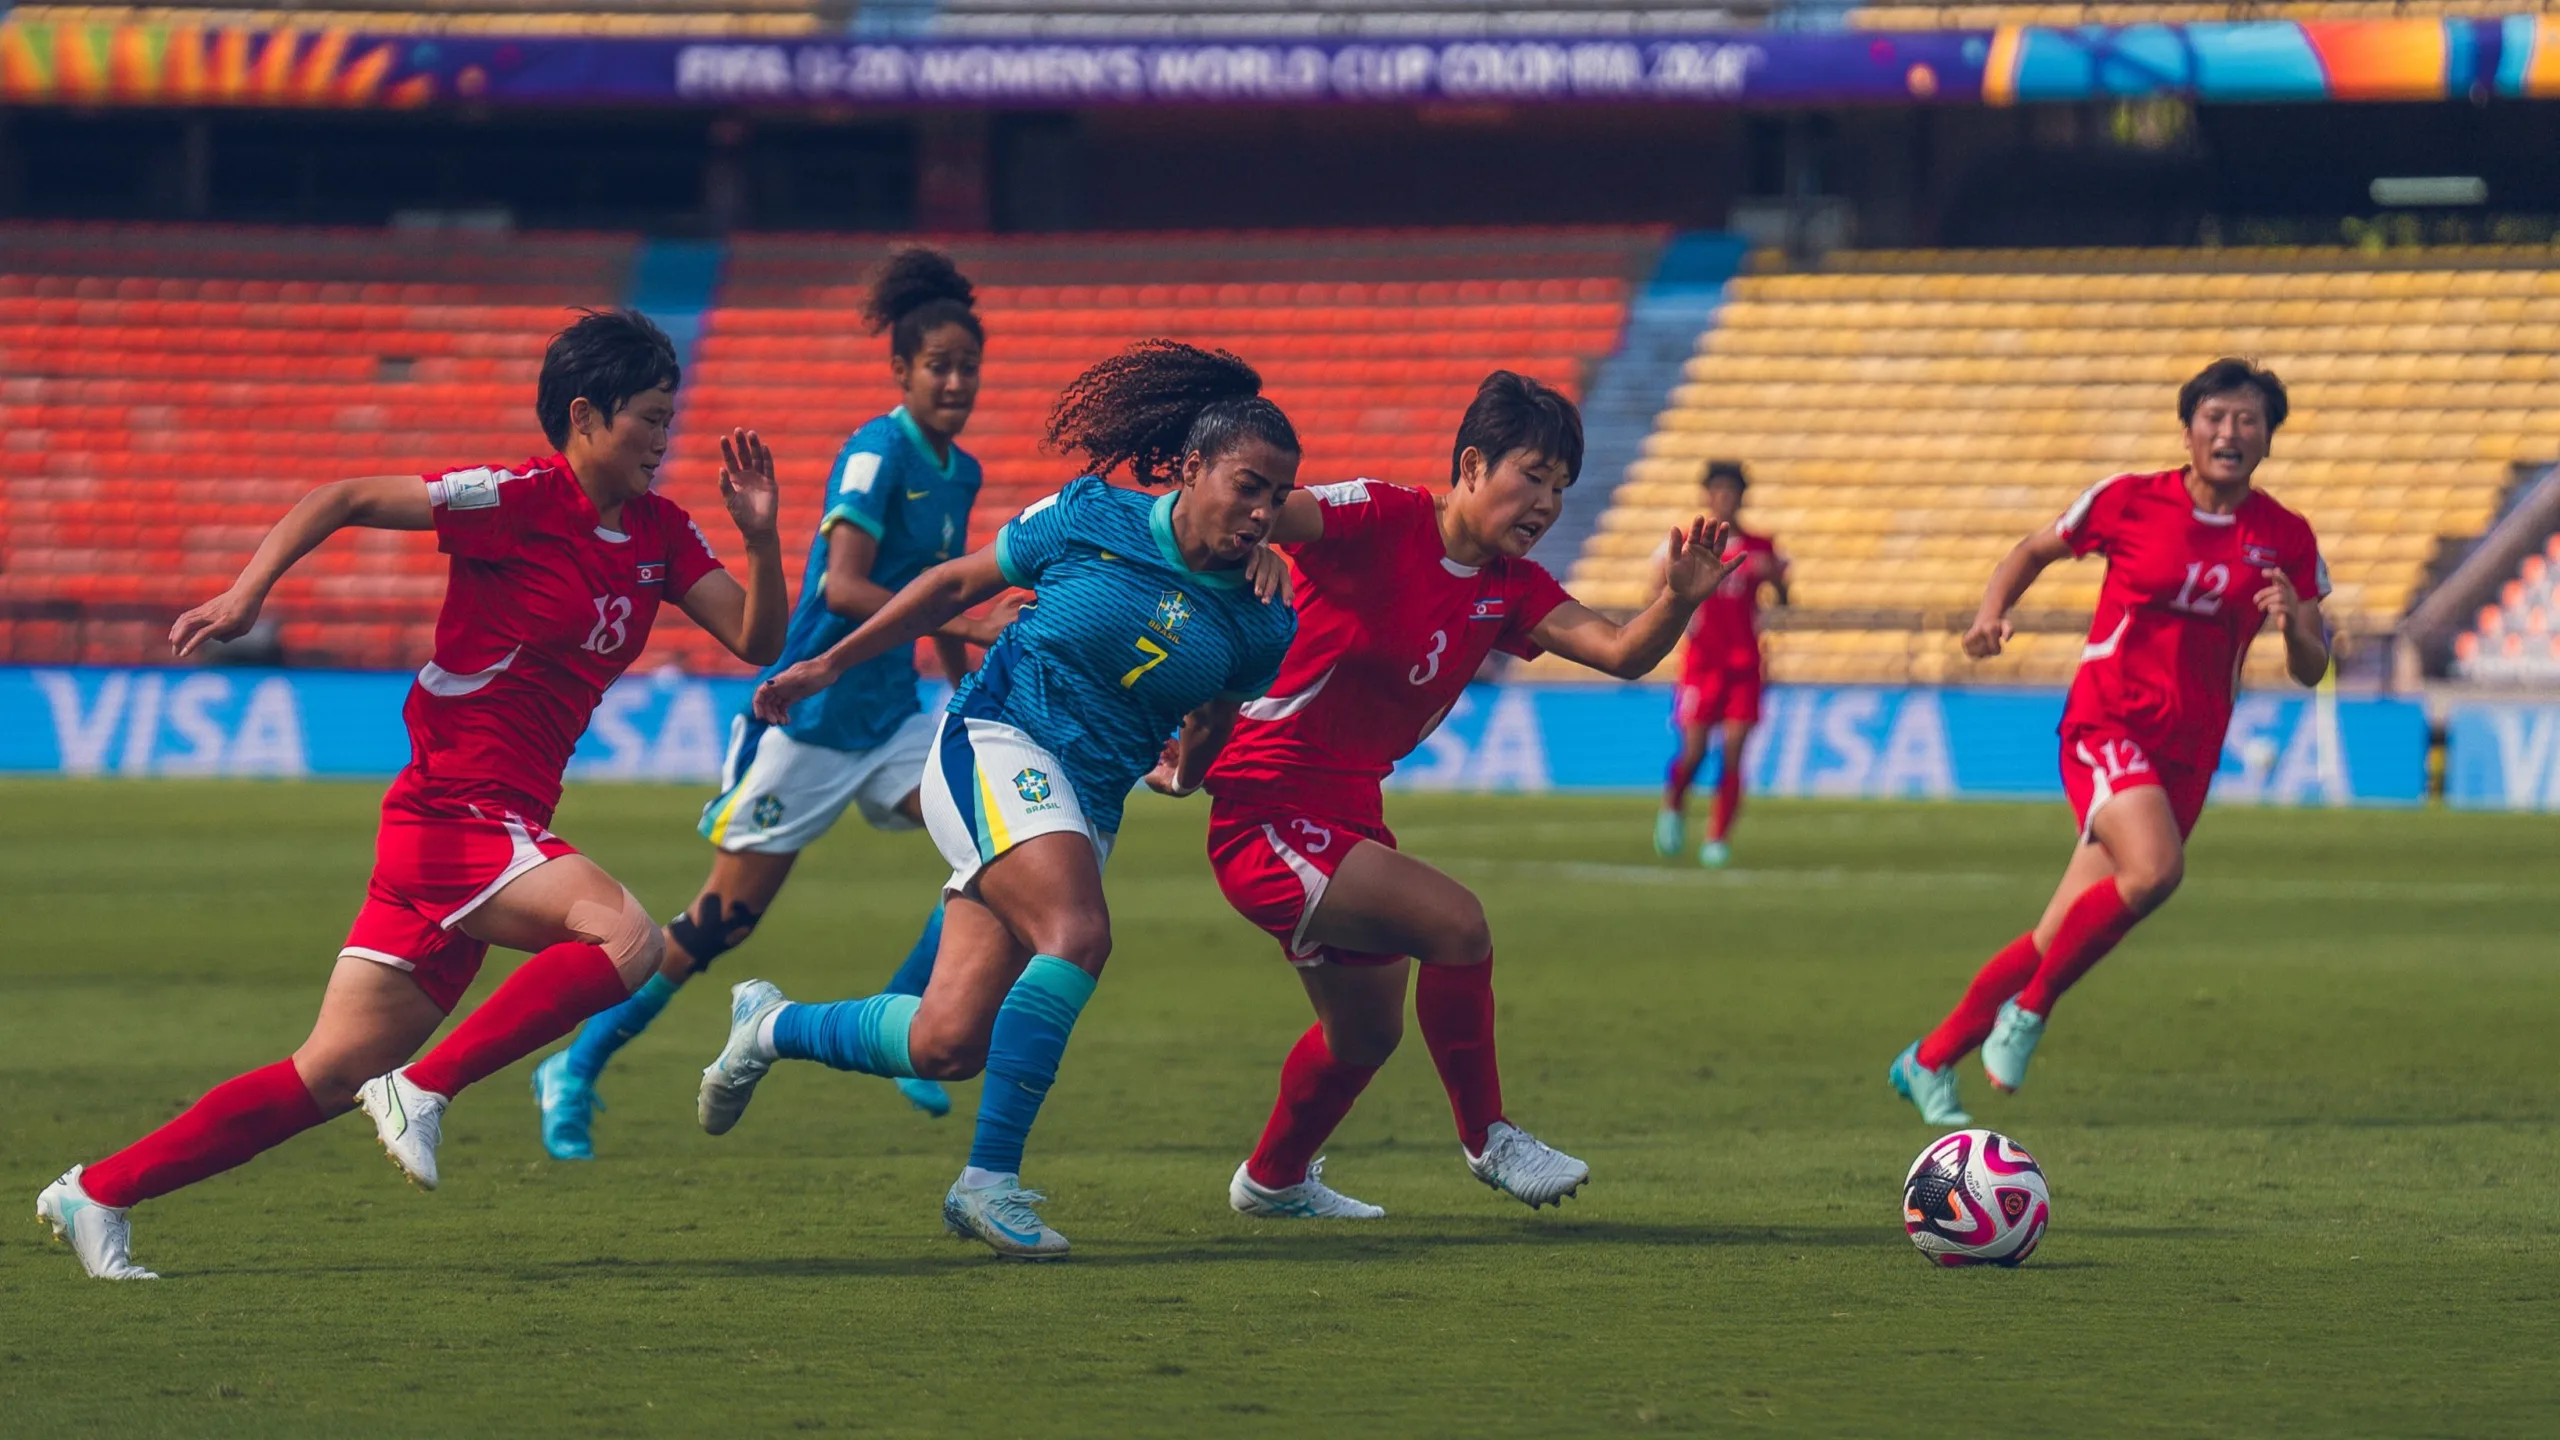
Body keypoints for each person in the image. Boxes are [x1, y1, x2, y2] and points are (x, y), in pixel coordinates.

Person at [38, 310, 788, 1280]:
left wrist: (763, 541)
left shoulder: (661, 533)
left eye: (668, 415)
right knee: (630, 939)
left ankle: (98, 1191)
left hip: (482, 829)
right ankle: (424, 1089)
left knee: (326, 1074)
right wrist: (245, 593)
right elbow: (343, 495)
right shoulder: (516, 496)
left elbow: (757, 639)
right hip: (456, 813)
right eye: (648, 417)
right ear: (585, 415)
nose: (663, 437)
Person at [694, 340, 1301, 1259]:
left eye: (1276, 498)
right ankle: (988, 1184)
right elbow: (952, 584)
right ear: (1190, 467)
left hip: (1086, 802)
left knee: (947, 1042)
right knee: (1080, 935)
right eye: (1248, 486)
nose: (1261, 513)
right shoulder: (1089, 515)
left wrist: (1190, 771)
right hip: (994, 740)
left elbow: (1213, 712)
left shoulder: (1264, 619)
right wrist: (823, 663)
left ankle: (768, 1026)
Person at [1166, 370, 1735, 1220]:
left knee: (1366, 1036)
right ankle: (1490, 1139)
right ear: (1472, 465)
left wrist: (1678, 602)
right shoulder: (1383, 515)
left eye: (1561, 487)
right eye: (1532, 475)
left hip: (1349, 814)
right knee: (1457, 924)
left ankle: (1272, 1181)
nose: (1546, 502)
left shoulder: (1512, 588)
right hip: (1267, 807)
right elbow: (1261, 512)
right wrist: (1264, 550)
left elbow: (1619, 652)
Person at [530, 249, 1004, 1158]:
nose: (955, 382)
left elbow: (938, 588)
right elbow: (858, 586)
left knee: (994, 846)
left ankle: (911, 1030)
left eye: (968, 367)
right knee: (720, 924)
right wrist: (974, 628)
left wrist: (962, 678)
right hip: (811, 715)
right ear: (901, 371)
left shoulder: (961, 471)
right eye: (938, 366)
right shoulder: (877, 453)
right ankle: (578, 1063)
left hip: (893, 715)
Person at [1890, 357, 2328, 1125]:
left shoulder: (2286, 537)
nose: (2230, 432)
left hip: (2191, 748)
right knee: (2156, 870)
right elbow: (2032, 550)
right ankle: (2029, 1015)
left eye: (2248, 420)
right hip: (2109, 720)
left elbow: (2312, 668)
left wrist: (2294, 621)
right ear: (2188, 429)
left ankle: (1927, 1060)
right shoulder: (2129, 500)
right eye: (2215, 418)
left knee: (2056, 931)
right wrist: (1993, 611)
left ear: (2268, 439)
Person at [1654, 459, 1786, 868]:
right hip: (1702, 663)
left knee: (1733, 751)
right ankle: (1674, 805)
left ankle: (1717, 837)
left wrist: (1777, 578)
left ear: (1741, 497)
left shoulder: (1760, 547)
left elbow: (1784, 598)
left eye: (1732, 491)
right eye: (1719, 491)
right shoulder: (1690, 544)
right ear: (1708, 496)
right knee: (1693, 751)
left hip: (1744, 664)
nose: (1725, 498)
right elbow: (1654, 593)